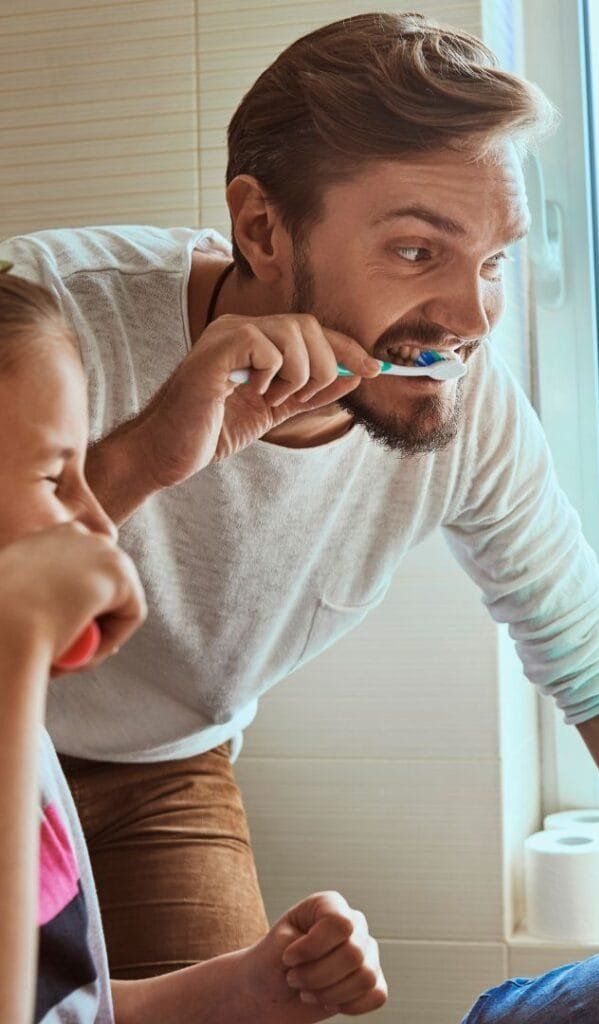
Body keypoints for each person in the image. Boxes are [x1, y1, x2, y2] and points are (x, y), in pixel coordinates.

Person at [0, 11, 599, 1020]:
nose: (470, 315)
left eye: (493, 259)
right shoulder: (48, 308)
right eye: (418, 250)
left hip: (166, 764)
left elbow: (592, 659)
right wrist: (145, 455)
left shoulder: (473, 410)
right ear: (262, 231)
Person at [0, 269, 386, 1021]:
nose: (98, 518)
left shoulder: (27, 749)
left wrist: (253, 982)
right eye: (55, 475)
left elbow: (71, 1006)